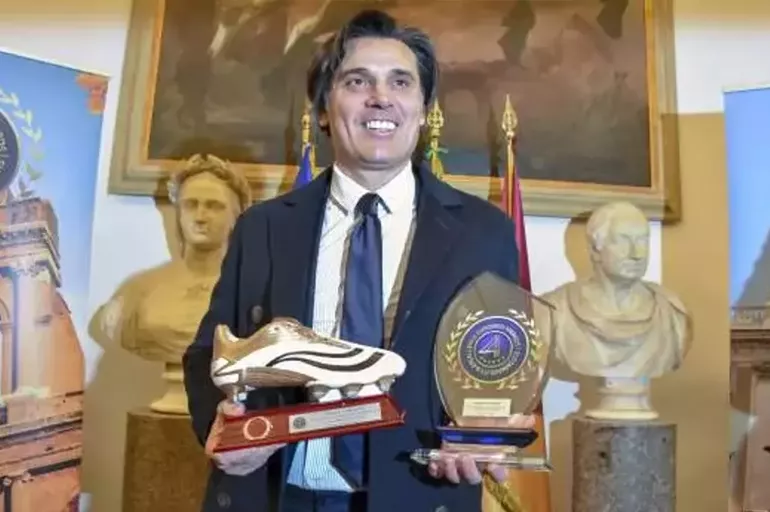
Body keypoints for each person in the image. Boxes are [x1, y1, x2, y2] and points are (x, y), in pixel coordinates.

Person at [183, 9, 533, 512]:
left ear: (423, 109)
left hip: (421, 495)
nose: (381, 97)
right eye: (356, 81)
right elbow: (209, 352)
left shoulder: (483, 232)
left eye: (401, 82)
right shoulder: (264, 227)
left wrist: (486, 431)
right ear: (325, 110)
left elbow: (501, 365)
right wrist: (219, 425)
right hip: (282, 497)